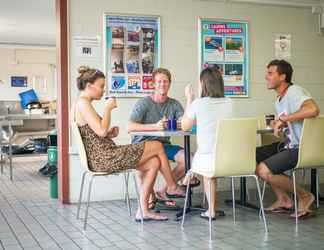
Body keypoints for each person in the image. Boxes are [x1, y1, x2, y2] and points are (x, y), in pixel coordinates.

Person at [73, 66, 185, 221]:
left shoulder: (84, 103)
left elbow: (99, 131)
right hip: (104, 157)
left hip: (106, 153)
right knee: (158, 146)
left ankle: (143, 211)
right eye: (101, 86)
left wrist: (110, 133)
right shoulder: (83, 103)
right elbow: (100, 131)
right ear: (89, 86)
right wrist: (108, 108)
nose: (103, 90)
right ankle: (172, 186)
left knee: (153, 162)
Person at [255, 59, 320, 218]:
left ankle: (305, 196)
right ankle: (284, 200)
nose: (266, 77)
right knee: (249, 156)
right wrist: (282, 124)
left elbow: (313, 109)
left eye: (270, 73)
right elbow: (294, 120)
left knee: (263, 170)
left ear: (283, 76)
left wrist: (284, 119)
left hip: (301, 148)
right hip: (288, 144)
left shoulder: (294, 91)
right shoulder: (279, 100)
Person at [128, 67, 200, 205]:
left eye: (166, 81)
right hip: (143, 145)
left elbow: (186, 124)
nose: (163, 84)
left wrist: (189, 100)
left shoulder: (174, 104)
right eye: (159, 81)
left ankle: (163, 191)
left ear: (169, 84)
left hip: (164, 145)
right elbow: (130, 127)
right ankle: (156, 195)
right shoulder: (144, 103)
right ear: (154, 84)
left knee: (189, 159)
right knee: (152, 162)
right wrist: (155, 126)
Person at [181, 66, 233, 220]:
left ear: (203, 84)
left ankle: (191, 174)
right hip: (230, 159)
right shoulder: (230, 102)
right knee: (208, 155)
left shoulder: (199, 103)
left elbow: (185, 126)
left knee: (206, 161)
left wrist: (189, 99)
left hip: (209, 160)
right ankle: (191, 174)